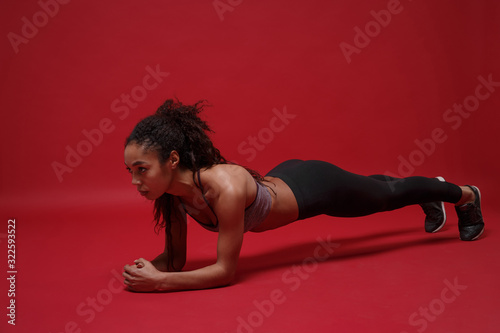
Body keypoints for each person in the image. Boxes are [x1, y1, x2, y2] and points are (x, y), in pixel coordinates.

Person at [122, 99, 485, 292]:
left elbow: (225, 272)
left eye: (142, 169)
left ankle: (465, 196)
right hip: (287, 178)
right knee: (374, 189)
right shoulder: (171, 195)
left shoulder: (224, 187)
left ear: (171, 160)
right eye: (131, 172)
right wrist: (150, 269)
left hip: (316, 189)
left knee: (383, 198)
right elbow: (175, 260)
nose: (136, 181)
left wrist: (161, 283)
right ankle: (422, 189)